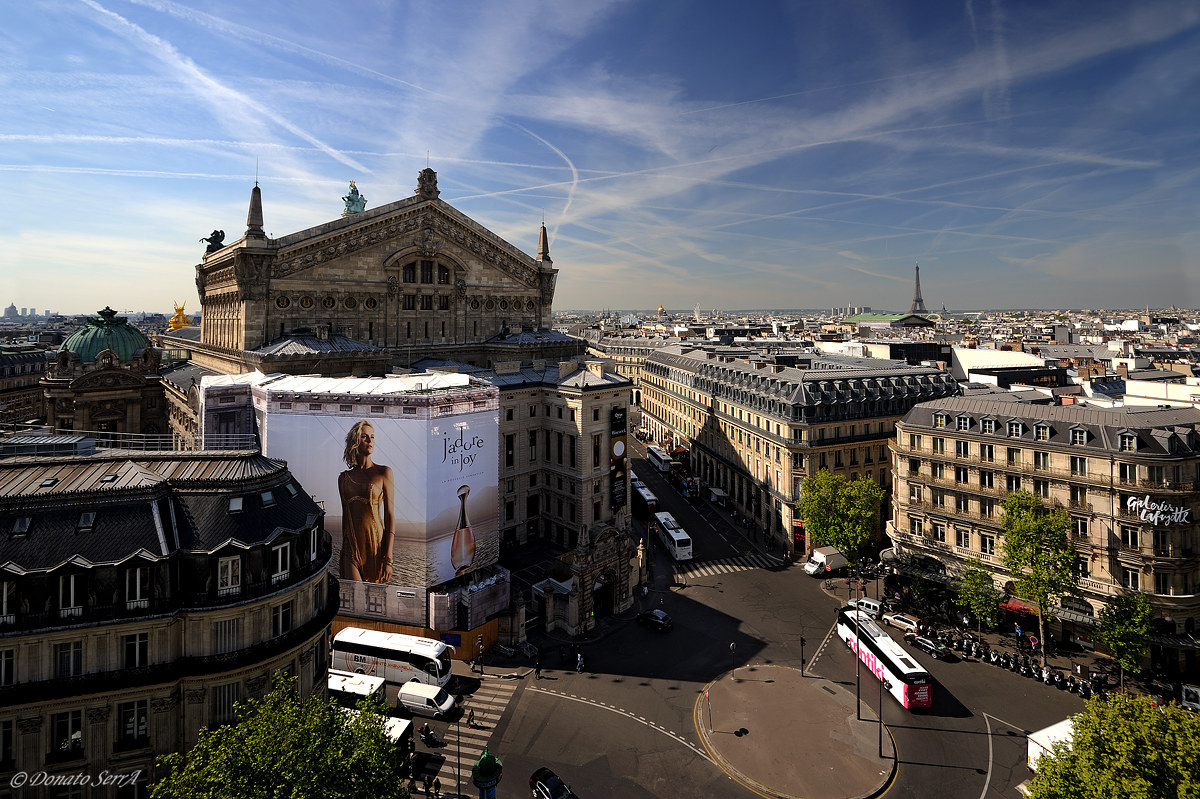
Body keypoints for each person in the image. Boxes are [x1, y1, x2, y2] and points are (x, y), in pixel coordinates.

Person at [338, 420, 395, 583]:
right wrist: (343, 555)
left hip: (376, 547)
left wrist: (388, 557)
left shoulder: (384, 472)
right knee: (357, 601)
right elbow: (345, 518)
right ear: (355, 441)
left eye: (372, 437)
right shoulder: (343, 478)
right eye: (364, 437)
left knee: (374, 603)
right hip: (352, 549)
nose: (370, 441)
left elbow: (390, 515)